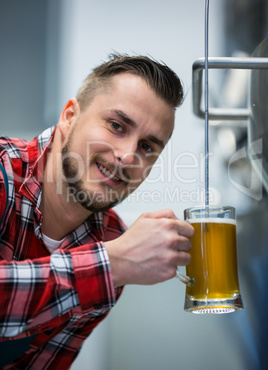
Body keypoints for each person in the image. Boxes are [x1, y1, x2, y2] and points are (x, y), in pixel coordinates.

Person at [0, 54, 194, 368]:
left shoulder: (113, 238)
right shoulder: (2, 170)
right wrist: (110, 264)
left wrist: (112, 264)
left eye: (147, 147)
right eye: (117, 126)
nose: (128, 156)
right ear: (69, 117)